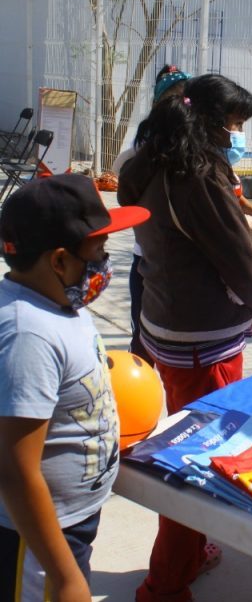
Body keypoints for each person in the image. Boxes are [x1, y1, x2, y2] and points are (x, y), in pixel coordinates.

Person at [117, 73, 252, 602]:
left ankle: (190, 553)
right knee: (197, 462)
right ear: (209, 122)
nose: (238, 135)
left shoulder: (149, 163)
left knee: (188, 442)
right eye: (235, 124)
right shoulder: (197, 177)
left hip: (164, 325)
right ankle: (164, 584)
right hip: (203, 342)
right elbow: (239, 259)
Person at [0, 174, 149, 601]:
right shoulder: (28, 335)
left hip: (72, 520)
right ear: (60, 261)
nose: (106, 263)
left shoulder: (61, 301)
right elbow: (15, 470)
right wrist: (64, 575)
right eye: (98, 252)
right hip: (38, 541)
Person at [113, 64, 193, 365]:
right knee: (143, 333)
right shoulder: (146, 146)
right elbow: (121, 170)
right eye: (175, 97)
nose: (182, 104)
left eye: (186, 98)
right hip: (146, 256)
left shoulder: (195, 149)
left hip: (182, 259)